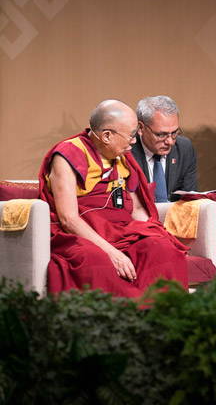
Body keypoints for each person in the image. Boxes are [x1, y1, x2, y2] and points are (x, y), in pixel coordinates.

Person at [39, 99, 189, 297]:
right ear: (107, 136)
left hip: (120, 230)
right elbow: (68, 219)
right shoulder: (68, 155)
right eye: (132, 135)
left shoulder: (121, 157)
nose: (134, 141)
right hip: (81, 233)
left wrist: (156, 233)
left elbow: (136, 210)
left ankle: (160, 319)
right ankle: (113, 322)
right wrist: (112, 252)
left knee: (162, 249)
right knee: (93, 261)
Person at [131, 95, 197, 202]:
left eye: (174, 133)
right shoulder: (126, 151)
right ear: (141, 128)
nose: (170, 142)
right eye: (161, 135)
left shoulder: (184, 149)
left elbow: (189, 200)